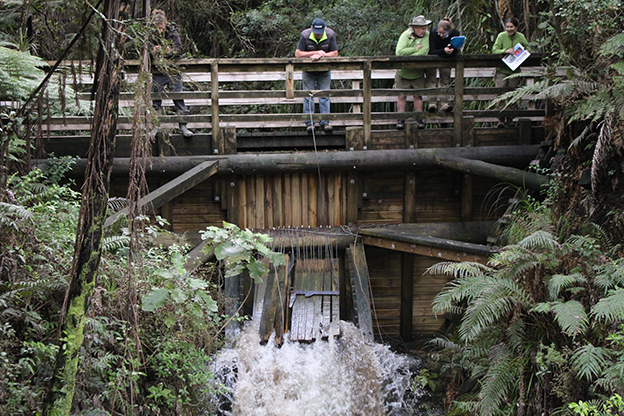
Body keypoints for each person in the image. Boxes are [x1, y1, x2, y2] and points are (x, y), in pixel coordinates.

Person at [150, 9, 193, 138]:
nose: (160, 31)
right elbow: (144, 49)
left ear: (165, 23)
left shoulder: (172, 32)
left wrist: (170, 52)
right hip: (158, 71)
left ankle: (183, 126)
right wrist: (153, 50)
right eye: (158, 28)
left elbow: (179, 50)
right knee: (156, 99)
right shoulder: (150, 34)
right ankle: (155, 126)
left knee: (178, 97)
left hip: (173, 70)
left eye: (162, 28)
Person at [295, 18, 339, 133]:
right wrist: (313, 53)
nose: (318, 35)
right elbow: (298, 54)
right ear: (311, 28)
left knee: (324, 96)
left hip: (324, 71)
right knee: (308, 96)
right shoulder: (305, 36)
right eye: (316, 33)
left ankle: (325, 122)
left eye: (320, 33)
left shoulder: (330, 35)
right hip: (308, 71)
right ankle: (310, 123)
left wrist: (323, 55)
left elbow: (335, 53)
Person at [395, 15, 431, 130]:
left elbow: (424, 51)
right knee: (401, 96)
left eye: (425, 28)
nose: (424, 31)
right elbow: (399, 52)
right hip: (403, 73)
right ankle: (400, 119)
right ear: (415, 27)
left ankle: (419, 118)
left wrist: (411, 55)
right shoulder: (405, 35)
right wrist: (416, 49)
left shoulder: (427, 35)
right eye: (422, 28)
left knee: (418, 96)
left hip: (418, 73)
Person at [492, 17, 529, 128]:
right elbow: (494, 50)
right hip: (501, 70)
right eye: (507, 27)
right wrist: (506, 51)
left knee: (513, 94)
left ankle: (510, 119)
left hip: (515, 70)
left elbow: (528, 49)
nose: (509, 29)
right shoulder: (501, 36)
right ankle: (501, 119)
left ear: (516, 27)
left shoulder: (520, 37)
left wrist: (520, 52)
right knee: (500, 94)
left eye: (511, 27)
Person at [425, 18, 460, 113]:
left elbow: (456, 49)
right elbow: (432, 50)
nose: (440, 35)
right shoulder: (433, 33)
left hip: (446, 59)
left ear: (449, 31)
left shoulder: (455, 33)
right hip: (433, 59)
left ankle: (444, 104)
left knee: (445, 81)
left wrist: (451, 51)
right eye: (439, 33)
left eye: (443, 33)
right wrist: (443, 51)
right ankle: (432, 104)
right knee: (431, 80)